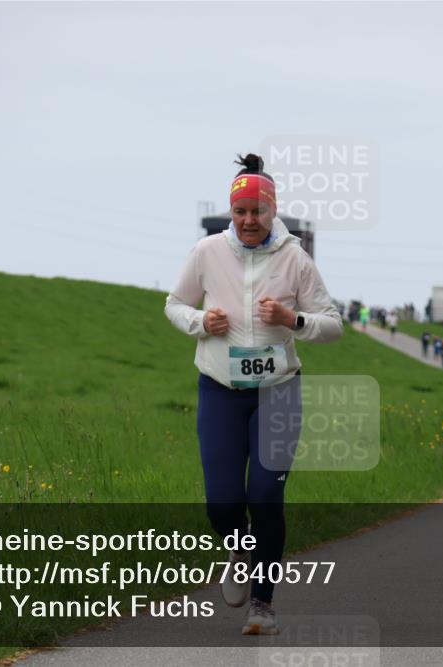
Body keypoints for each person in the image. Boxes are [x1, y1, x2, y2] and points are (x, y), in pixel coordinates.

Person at [164, 153, 343, 634]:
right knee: (221, 504)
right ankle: (238, 545)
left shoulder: (295, 258)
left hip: (278, 392)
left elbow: (332, 326)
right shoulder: (206, 252)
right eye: (240, 212)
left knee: (265, 496)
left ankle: (262, 605)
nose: (248, 221)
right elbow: (174, 303)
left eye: (257, 212)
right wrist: (201, 321)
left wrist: (293, 320)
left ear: (272, 210)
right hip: (219, 391)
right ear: (231, 212)